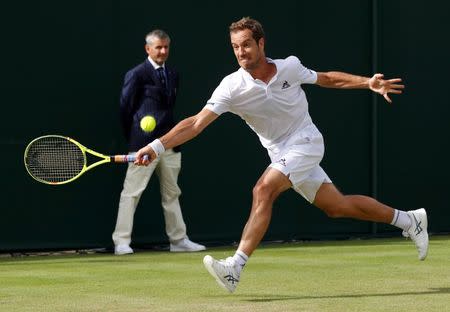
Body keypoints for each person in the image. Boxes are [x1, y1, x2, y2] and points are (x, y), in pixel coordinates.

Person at [133, 17, 428, 292]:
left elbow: (327, 79)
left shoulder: (289, 67)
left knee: (263, 189)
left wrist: (368, 82)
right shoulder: (232, 87)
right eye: (235, 47)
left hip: (307, 142)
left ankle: (235, 267)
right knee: (337, 206)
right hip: (281, 154)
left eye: (246, 44)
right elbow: (195, 123)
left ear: (261, 43)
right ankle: (409, 220)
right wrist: (156, 146)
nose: (241, 52)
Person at [112, 29, 206, 255]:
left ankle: (178, 240)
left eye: (166, 47)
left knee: (172, 194)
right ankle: (121, 242)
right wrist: (135, 139)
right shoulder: (136, 74)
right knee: (131, 193)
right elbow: (125, 108)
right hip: (143, 145)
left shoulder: (173, 73)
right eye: (158, 47)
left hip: (171, 143)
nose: (163, 51)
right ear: (148, 49)